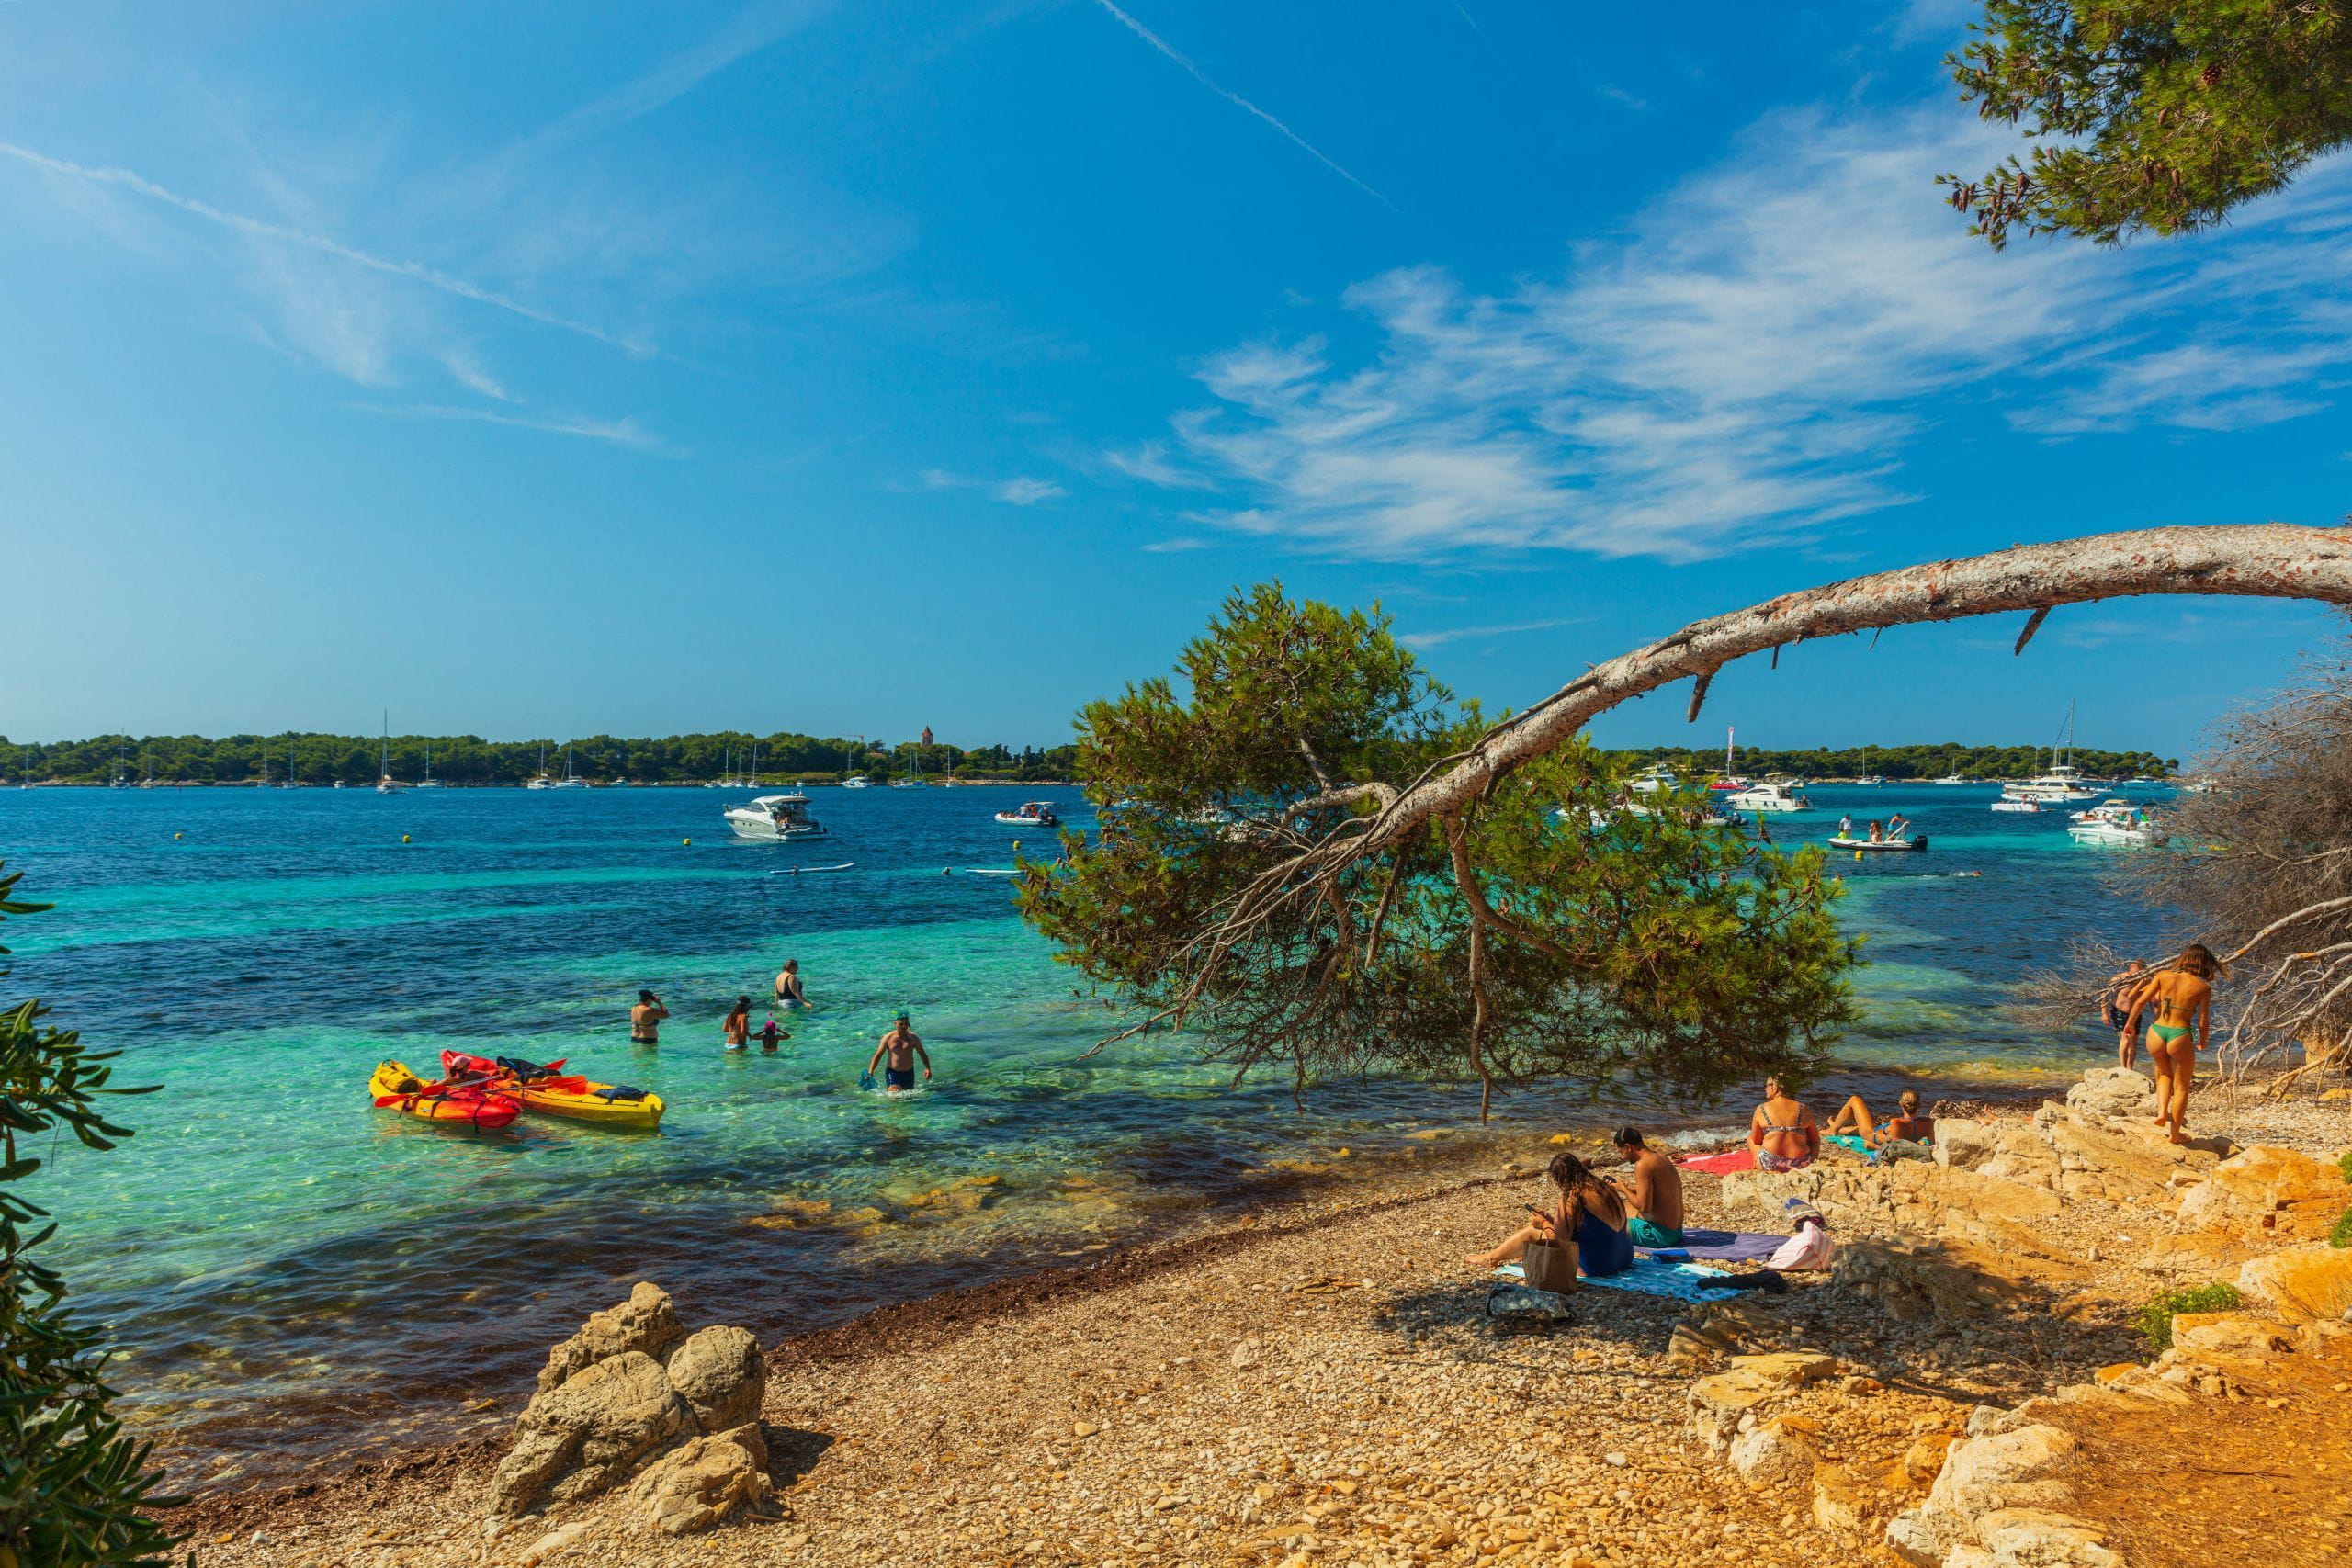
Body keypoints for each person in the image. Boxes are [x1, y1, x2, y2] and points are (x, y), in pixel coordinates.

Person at [1464, 1152, 1634, 1278]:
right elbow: (1587, 1226)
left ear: (1560, 1178)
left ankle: (1490, 1258)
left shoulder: (1572, 1197)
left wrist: (1543, 1224)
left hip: (1598, 1265)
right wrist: (1553, 1220)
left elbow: (1560, 1243)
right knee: (1542, 1229)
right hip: (1624, 1257)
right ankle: (1493, 1256)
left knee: (1531, 1232)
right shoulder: (1604, 1188)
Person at [2120, 944, 2224, 1145]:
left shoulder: (2163, 975)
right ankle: (2174, 1134)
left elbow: (2141, 1001)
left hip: (2157, 1031)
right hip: (2181, 1033)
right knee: (2182, 1087)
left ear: (2184, 958)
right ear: (2204, 963)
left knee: (2163, 1074)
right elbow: (2202, 1022)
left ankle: (2161, 1113)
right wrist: (2201, 1041)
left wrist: (2130, 1024)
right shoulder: (2203, 987)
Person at [1608, 1127, 1685, 1247]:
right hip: (1676, 1232)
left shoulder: (1643, 1165)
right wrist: (1626, 1187)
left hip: (1658, 1236)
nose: (1622, 1157)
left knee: (1605, 1225)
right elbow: (1657, 1191)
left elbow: (1644, 1207)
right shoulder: (1660, 1157)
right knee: (1621, 1206)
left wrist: (1623, 1189)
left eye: (1621, 1152)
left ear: (1629, 1147)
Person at [1748, 1075, 1819, 1172]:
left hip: (1770, 1164)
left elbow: (1757, 1140)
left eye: (1767, 1085)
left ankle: (1756, 1162)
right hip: (1800, 1164)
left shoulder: (1762, 1108)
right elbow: (1815, 1139)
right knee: (1810, 1139)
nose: (1765, 1088)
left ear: (1775, 1087)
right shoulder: (1803, 1108)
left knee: (1750, 1138)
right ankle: (1812, 1161)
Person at [1826, 1088, 1931, 1150]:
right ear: (1919, 1105)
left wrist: (1873, 1146)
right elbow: (1934, 1147)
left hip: (1871, 1134)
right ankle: (1835, 1127)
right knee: (1854, 1129)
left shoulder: (1897, 1123)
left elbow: (1895, 1151)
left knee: (1854, 1099)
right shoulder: (1928, 1123)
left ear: (1900, 1103)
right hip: (1879, 1130)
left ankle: (1833, 1129)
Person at [866, 1012, 931, 1094]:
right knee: (895, 1094)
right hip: (893, 1072)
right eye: (901, 1024)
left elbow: (922, 1054)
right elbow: (878, 1055)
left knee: (908, 1098)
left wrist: (928, 1068)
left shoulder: (914, 1038)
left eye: (906, 1024)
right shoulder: (888, 1038)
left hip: (909, 1072)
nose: (904, 1026)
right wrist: (870, 1072)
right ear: (895, 1024)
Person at [2104, 959, 2150, 1070]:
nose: (2131, 969)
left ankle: (2130, 1069)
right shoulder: (2120, 978)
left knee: (2133, 1041)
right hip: (2119, 1011)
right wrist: (2104, 1013)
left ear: (2142, 969)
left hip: (2135, 1014)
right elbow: (2104, 994)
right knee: (2124, 1040)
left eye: (2134, 967)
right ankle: (2123, 1068)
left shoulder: (2146, 980)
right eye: (2130, 967)